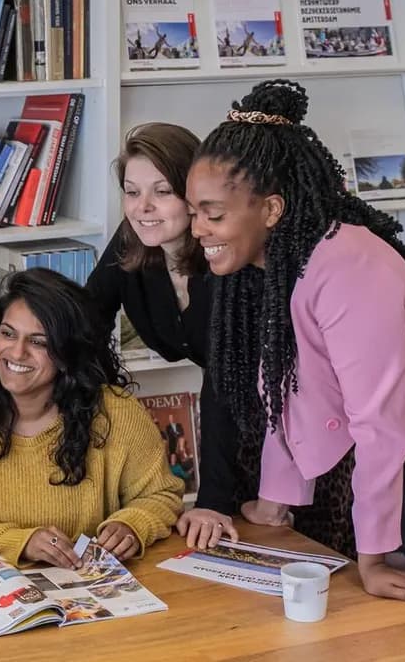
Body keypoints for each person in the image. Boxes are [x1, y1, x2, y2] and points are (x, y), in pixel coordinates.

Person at [184, 79, 405, 629]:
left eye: (212, 214)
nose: (197, 230)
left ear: (272, 208)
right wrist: (276, 500)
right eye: (193, 212)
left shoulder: (348, 268)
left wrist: (372, 559)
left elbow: (379, 424)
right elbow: (283, 384)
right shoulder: (271, 265)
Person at [85, 123, 357, 558]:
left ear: (195, 198)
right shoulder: (132, 241)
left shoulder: (227, 256)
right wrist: (95, 405)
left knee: (320, 566)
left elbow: (223, 380)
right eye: (131, 191)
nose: (143, 208)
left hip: (303, 425)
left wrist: (212, 500)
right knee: (244, 568)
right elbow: (85, 320)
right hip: (241, 427)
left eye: (162, 191)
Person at [0, 268, 184, 568]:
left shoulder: (117, 411)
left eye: (38, 342)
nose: (16, 352)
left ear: (66, 353)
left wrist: (131, 525)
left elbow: (161, 494)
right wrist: (20, 543)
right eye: (8, 334)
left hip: (88, 590)